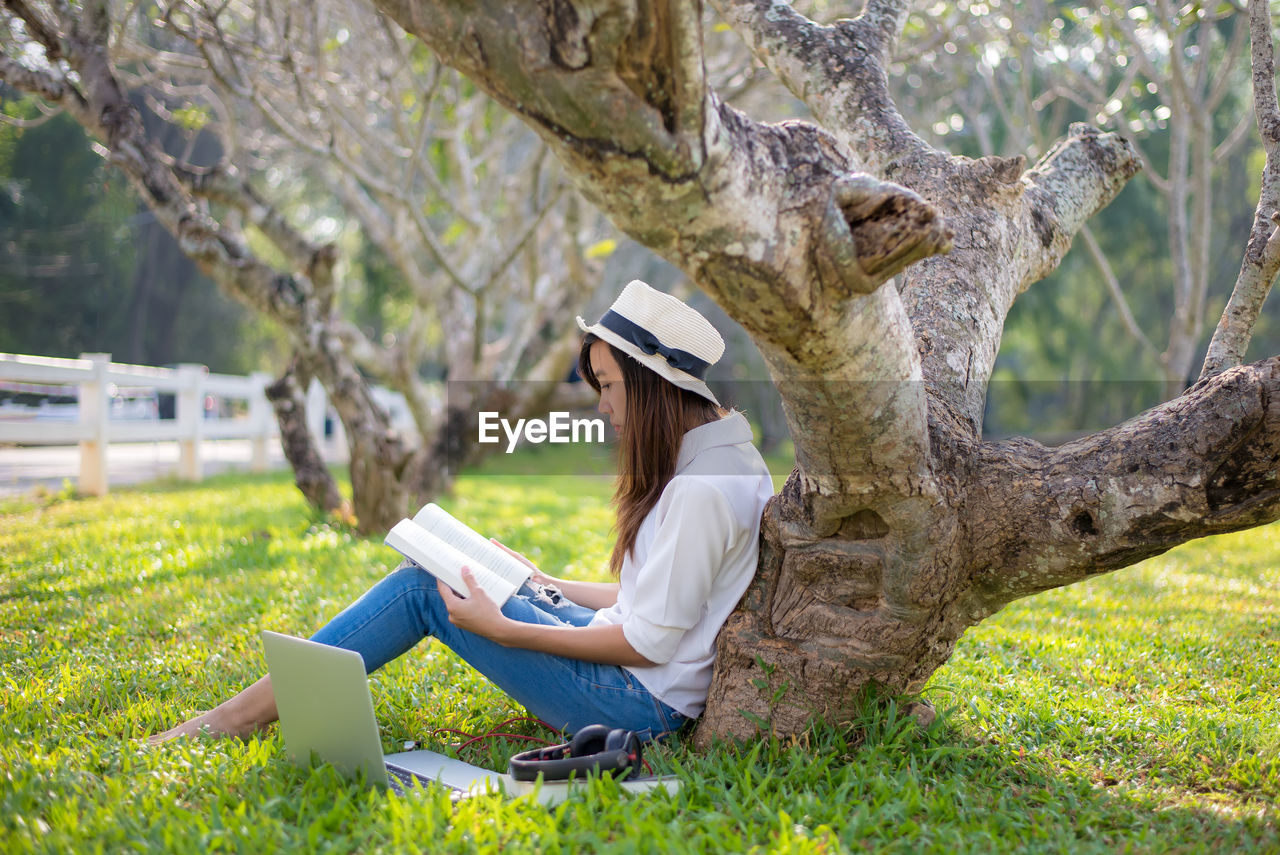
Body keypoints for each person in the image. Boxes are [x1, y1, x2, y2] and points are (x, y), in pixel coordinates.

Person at [151, 280, 774, 745]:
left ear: (652, 384)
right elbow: (663, 600)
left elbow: (646, 641)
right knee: (472, 577)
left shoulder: (701, 489)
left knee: (426, 590)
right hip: (638, 677)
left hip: (637, 706)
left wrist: (503, 628)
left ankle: (235, 719)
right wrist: (544, 583)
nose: (604, 406)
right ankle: (252, 708)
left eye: (609, 386)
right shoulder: (725, 458)